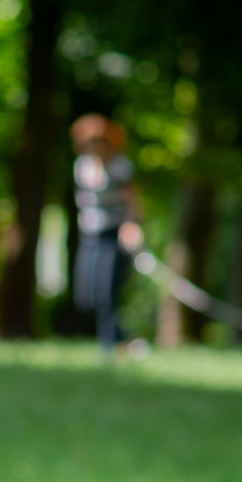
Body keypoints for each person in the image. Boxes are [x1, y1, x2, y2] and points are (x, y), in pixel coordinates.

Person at [70, 114, 145, 357]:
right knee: (85, 295)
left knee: (105, 292)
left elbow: (133, 199)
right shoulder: (81, 166)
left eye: (98, 140)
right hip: (90, 234)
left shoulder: (120, 166)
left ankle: (108, 349)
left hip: (115, 233)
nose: (93, 145)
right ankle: (127, 340)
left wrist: (132, 226)